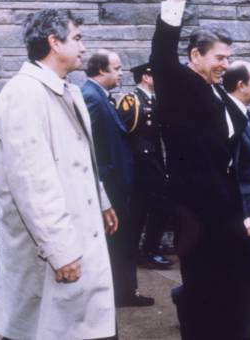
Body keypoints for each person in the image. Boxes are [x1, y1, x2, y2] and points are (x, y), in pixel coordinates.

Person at [0, 9, 117, 339]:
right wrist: (60, 250)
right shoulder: (24, 95)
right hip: (50, 248)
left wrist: (101, 199)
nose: (83, 47)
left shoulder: (66, 89)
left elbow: (81, 156)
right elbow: (32, 182)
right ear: (54, 42)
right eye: (77, 38)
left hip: (77, 233)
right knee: (40, 327)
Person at [148, 0, 250, 339]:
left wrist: (239, 213)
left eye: (229, 59)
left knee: (227, 297)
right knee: (203, 302)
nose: (225, 65)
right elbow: (161, 54)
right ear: (195, 55)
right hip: (197, 219)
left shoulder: (216, 92)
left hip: (223, 217)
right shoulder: (179, 84)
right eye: (219, 58)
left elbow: (225, 159)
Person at [82, 50, 154, 307]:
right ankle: (123, 292)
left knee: (123, 240)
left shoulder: (102, 97)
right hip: (111, 185)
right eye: (117, 68)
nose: (122, 72)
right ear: (102, 70)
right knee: (120, 241)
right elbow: (87, 145)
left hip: (119, 183)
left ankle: (123, 290)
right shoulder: (91, 97)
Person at [222, 60, 250, 340]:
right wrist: (241, 215)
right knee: (248, 273)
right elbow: (227, 172)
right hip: (242, 214)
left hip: (249, 207)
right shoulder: (229, 117)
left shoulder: (241, 112)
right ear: (241, 85)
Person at [117, 63, 174, 271]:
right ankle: (147, 251)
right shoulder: (131, 101)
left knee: (144, 207)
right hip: (141, 161)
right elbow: (120, 134)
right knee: (153, 206)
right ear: (146, 78)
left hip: (154, 160)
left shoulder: (154, 100)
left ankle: (143, 251)